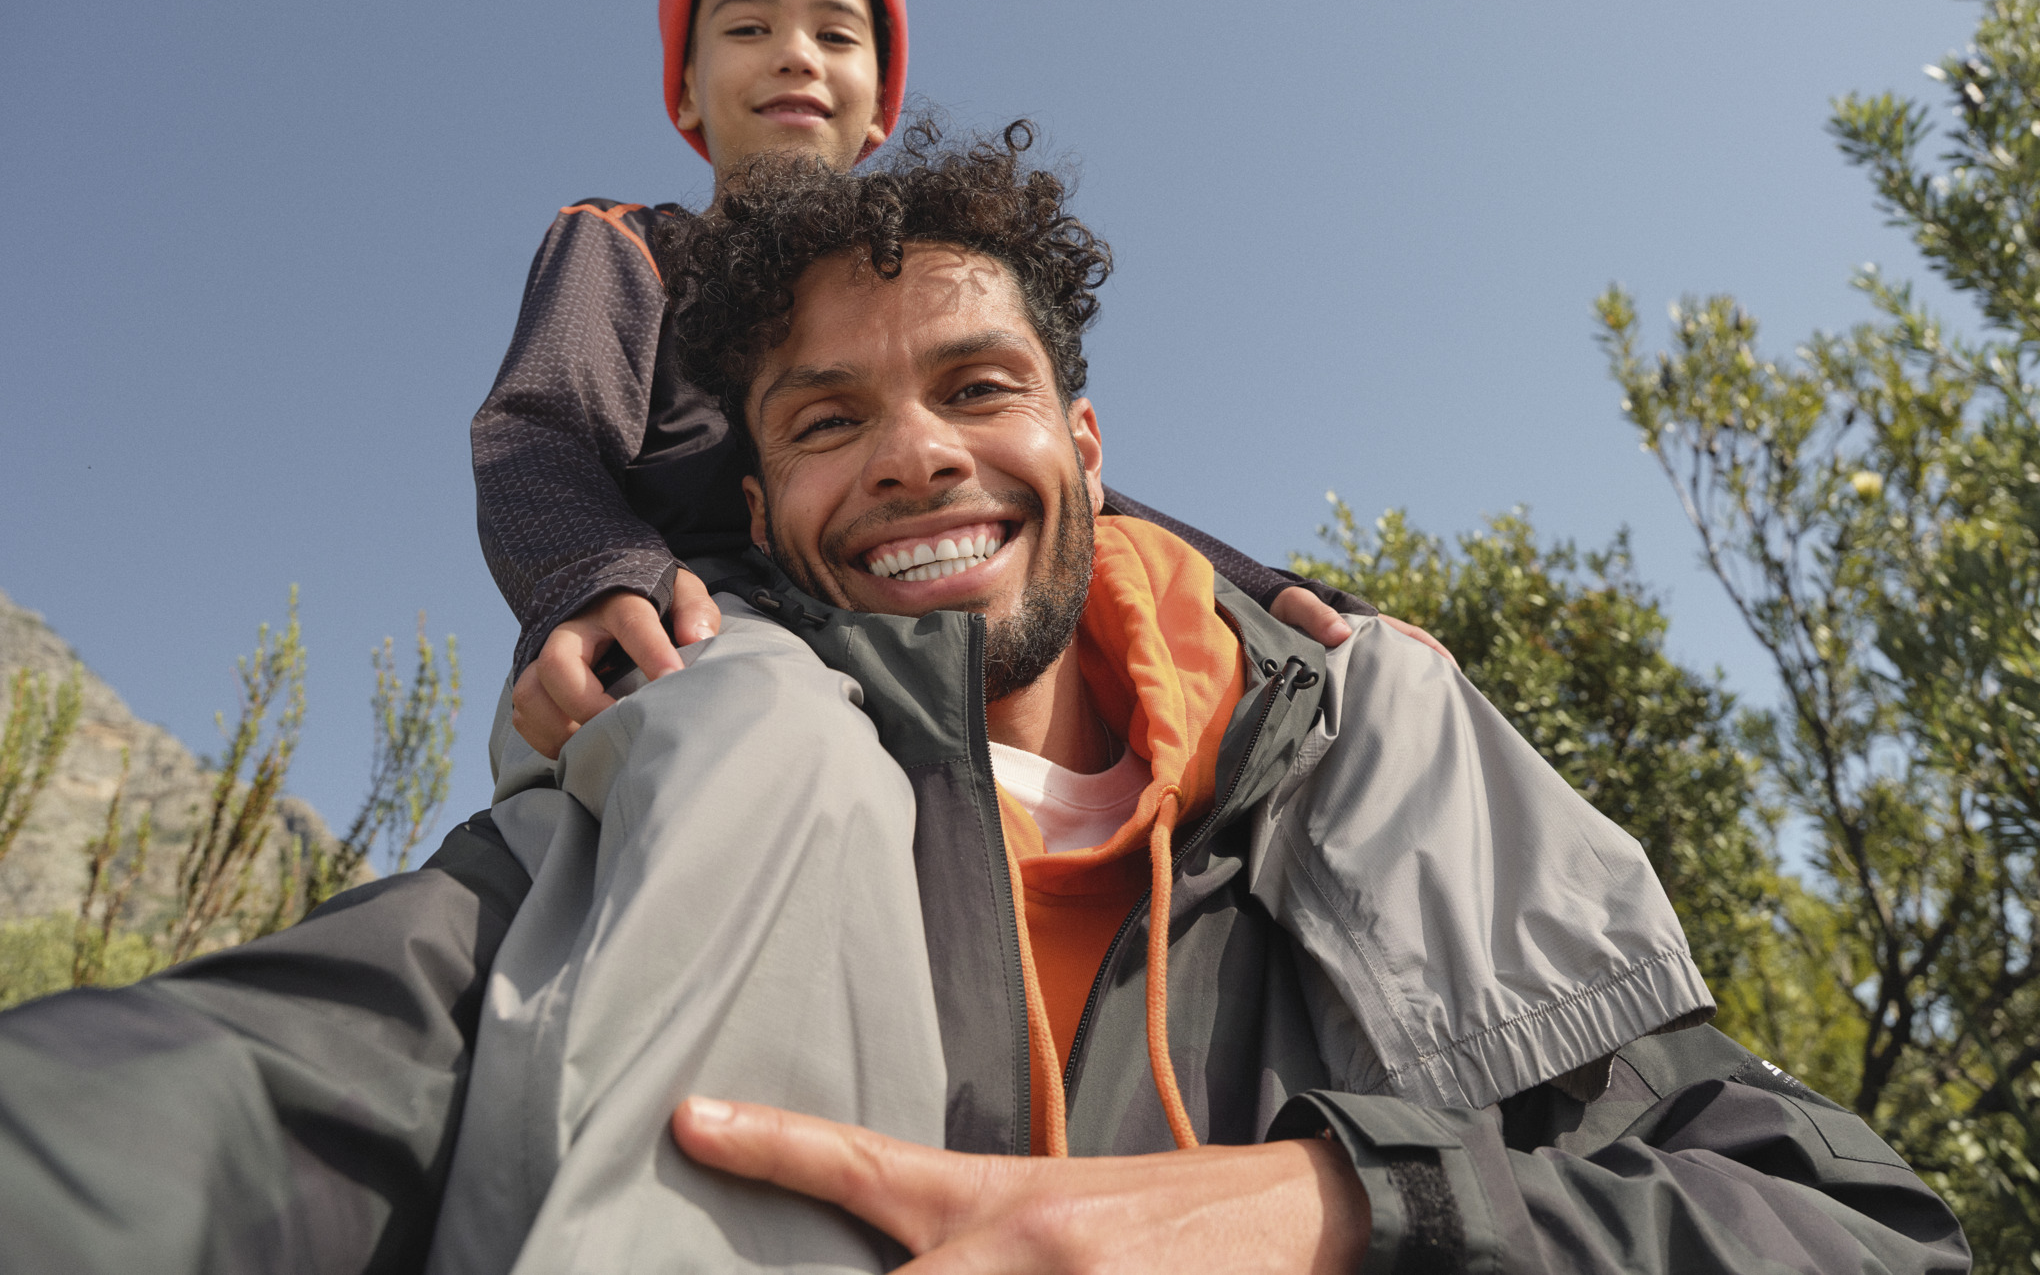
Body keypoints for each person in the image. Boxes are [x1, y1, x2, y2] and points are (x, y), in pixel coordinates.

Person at [0, 127, 1967, 1273]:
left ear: (1087, 444)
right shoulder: (675, 785)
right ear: (757, 509)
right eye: (826, 419)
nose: (918, 454)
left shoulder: (1380, 771)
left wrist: (1333, 1209)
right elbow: (265, 1084)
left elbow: (1846, 1229)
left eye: (977, 387)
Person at [471, 0, 1398, 771]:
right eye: (749, 28)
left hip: (900, 643)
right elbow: (540, 428)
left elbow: (1046, 476)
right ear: (685, 93)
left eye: (836, 34)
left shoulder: (907, 275)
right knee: (747, 722)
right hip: (694, 634)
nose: (795, 55)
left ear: (881, 104)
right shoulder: (629, 244)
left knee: (1300, 662)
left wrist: (1264, 588)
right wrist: (593, 572)